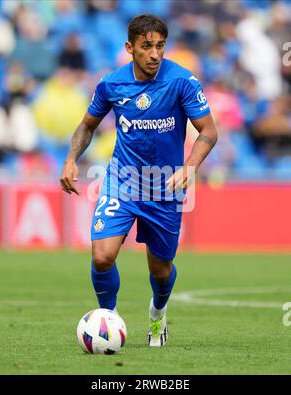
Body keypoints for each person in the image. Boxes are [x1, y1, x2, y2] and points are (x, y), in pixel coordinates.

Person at [60, 14, 217, 347]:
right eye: (147, 47)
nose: (155, 54)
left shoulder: (182, 82)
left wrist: (190, 166)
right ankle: (109, 320)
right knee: (102, 256)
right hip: (123, 180)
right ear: (130, 48)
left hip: (165, 185)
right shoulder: (111, 84)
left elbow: (209, 131)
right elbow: (87, 125)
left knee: (160, 270)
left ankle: (158, 313)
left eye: (160, 46)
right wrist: (71, 159)